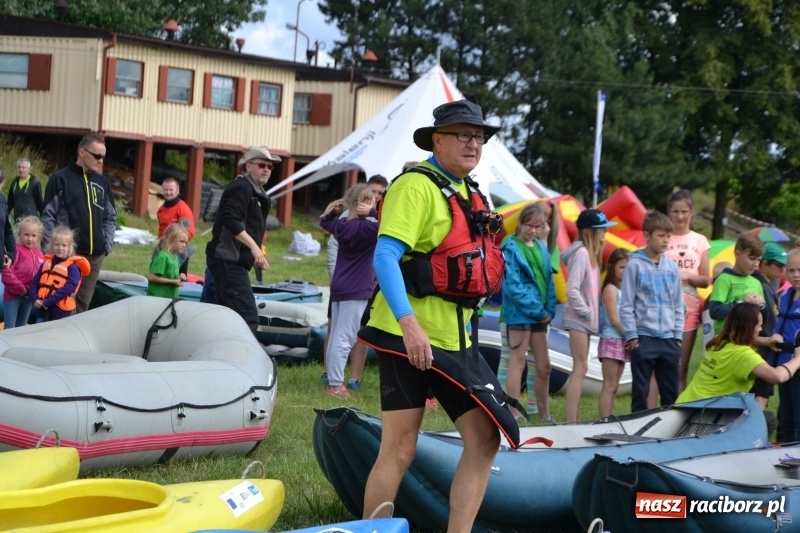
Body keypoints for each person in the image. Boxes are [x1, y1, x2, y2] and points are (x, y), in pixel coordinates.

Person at [358, 99, 506, 530]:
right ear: (436, 140)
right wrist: (410, 326)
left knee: (484, 438)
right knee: (399, 448)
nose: (472, 143)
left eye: (477, 136)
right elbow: (385, 257)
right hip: (409, 337)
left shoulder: (471, 192)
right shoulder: (416, 186)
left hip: (455, 338)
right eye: (462, 134)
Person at [321, 175, 388, 390]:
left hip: (339, 285)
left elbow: (325, 221)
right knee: (346, 337)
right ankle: (336, 385)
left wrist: (333, 211)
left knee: (335, 336)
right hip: (357, 288)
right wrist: (373, 213)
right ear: (363, 204)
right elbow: (391, 222)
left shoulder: (341, 226)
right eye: (371, 202)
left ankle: (333, 379)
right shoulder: (366, 229)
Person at [496, 198, 562, 416]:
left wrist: (549, 311)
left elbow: (549, 283)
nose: (533, 230)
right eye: (529, 225)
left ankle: (543, 414)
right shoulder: (510, 246)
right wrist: (539, 310)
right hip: (519, 315)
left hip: (539, 316)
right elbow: (513, 285)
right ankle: (514, 414)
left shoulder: (543, 248)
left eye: (538, 226)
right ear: (520, 224)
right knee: (517, 363)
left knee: (544, 367)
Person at [206, 146, 277, 335]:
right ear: (248, 166)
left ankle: (222, 359)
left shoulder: (256, 191)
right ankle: (244, 361)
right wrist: (255, 249)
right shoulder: (241, 187)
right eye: (262, 165)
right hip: (227, 260)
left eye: (270, 167)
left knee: (226, 316)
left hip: (232, 260)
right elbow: (231, 219)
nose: (267, 170)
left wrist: (254, 251)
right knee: (248, 318)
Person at [42, 134, 116, 313]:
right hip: (69, 255)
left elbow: (110, 216)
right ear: (82, 152)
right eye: (97, 156)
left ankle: (75, 341)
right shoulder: (60, 179)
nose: (100, 161)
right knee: (62, 303)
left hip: (96, 255)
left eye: (103, 157)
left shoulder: (102, 182)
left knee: (83, 305)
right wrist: (49, 251)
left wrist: (107, 245)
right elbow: (48, 216)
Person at [620, 210, 684, 413]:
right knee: (640, 391)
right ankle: (637, 430)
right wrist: (632, 336)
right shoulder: (634, 265)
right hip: (643, 338)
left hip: (669, 339)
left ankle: (669, 432)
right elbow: (627, 304)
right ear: (647, 236)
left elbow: (678, 304)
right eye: (661, 236)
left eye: (668, 236)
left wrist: (677, 336)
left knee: (670, 392)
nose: (666, 241)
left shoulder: (672, 268)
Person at [679, 302, 800, 403]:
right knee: (767, 421)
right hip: (703, 414)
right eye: (759, 325)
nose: (761, 329)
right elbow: (777, 376)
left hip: (686, 403)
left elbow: (744, 338)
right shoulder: (743, 355)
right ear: (748, 328)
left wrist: (767, 341)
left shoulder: (719, 341)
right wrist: (798, 358)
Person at [562, 208, 615, 422]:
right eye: (601, 229)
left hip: (584, 320)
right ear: (589, 231)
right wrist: (586, 311)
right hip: (578, 319)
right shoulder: (582, 254)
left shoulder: (589, 254)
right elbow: (572, 288)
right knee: (580, 367)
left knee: (581, 367)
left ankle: (572, 420)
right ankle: (570, 421)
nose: (604, 233)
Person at [664, 190, 711, 392]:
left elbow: (706, 279)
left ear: (692, 212)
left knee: (680, 367)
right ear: (669, 213)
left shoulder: (699, 241)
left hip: (689, 307)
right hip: (662, 305)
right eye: (675, 211)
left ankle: (678, 410)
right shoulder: (662, 237)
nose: (680, 216)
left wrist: (687, 276)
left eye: (684, 211)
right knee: (661, 365)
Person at [750, 243, 788, 409]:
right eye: (779, 265)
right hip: (762, 350)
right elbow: (768, 322)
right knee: (761, 395)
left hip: (762, 349)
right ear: (764, 263)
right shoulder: (762, 286)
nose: (783, 270)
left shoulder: (767, 284)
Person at [707, 232, 765, 334]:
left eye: (758, 260)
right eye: (752, 259)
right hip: (725, 341)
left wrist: (762, 305)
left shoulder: (757, 283)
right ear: (737, 254)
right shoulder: (724, 279)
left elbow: (764, 317)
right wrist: (742, 302)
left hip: (748, 341)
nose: (755, 264)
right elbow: (715, 312)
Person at [29, 226, 90, 322]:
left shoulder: (72, 267)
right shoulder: (46, 263)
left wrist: (48, 302)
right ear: (52, 245)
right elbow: (34, 282)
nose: (60, 248)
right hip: (41, 309)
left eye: (64, 245)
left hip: (60, 313)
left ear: (70, 247)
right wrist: (34, 298)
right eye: (57, 244)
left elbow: (69, 288)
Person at [598, 248, 629, 418]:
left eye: (628, 268)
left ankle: (608, 418)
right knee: (609, 385)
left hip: (622, 340)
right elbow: (614, 319)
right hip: (612, 339)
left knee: (615, 385)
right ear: (612, 267)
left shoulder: (626, 290)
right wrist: (630, 335)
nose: (625, 271)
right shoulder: (611, 289)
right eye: (622, 267)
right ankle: (604, 419)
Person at [774, 250, 800, 442]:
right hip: (784, 364)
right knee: (787, 416)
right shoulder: (785, 296)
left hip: (798, 364)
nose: (796, 274)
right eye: (791, 270)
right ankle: (789, 453)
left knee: (799, 417)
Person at [2, 217, 44, 328]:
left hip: (29, 296)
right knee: (10, 326)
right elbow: (6, 274)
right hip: (13, 295)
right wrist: (20, 289)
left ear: (39, 237)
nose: (30, 239)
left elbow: (42, 275)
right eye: (26, 235)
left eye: (33, 235)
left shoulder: (40, 255)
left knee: (21, 327)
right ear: (19, 234)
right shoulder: (14, 251)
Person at [156, 176, 195, 282]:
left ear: (177, 191)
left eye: (171, 190)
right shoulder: (161, 210)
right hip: (163, 249)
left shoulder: (183, 209)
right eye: (166, 190)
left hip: (178, 251)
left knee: (177, 279)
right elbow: (161, 230)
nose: (168, 192)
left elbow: (188, 232)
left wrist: (175, 246)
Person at [147, 223, 189, 299]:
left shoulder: (176, 258)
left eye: (186, 242)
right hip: (157, 298)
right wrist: (172, 282)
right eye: (182, 241)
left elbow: (170, 277)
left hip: (169, 298)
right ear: (170, 240)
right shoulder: (162, 256)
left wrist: (179, 277)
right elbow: (152, 277)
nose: (184, 245)